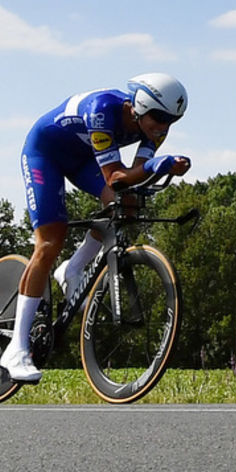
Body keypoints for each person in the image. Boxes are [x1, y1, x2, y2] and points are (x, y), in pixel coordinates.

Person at [1, 74, 191, 384]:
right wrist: (158, 165)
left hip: (82, 159)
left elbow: (133, 180)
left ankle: (72, 270)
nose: (163, 126)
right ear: (140, 107)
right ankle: (16, 347)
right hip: (44, 154)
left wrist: (158, 168)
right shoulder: (102, 109)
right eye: (159, 118)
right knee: (50, 242)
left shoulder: (157, 126)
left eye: (173, 120)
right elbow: (117, 175)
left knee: (126, 204)